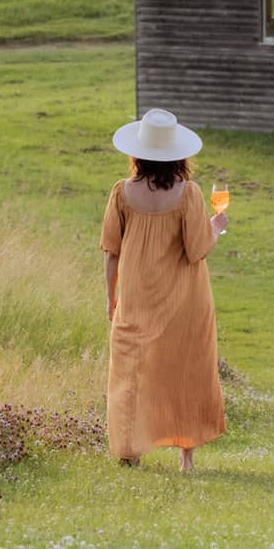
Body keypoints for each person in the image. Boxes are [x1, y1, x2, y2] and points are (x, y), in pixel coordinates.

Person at [100, 108, 229, 471]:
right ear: (178, 155)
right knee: (185, 367)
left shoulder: (122, 194)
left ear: (138, 153)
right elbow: (197, 248)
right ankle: (186, 457)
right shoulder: (189, 194)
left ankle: (129, 449)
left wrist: (111, 297)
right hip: (184, 300)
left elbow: (112, 252)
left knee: (130, 369)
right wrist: (216, 227)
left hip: (137, 298)